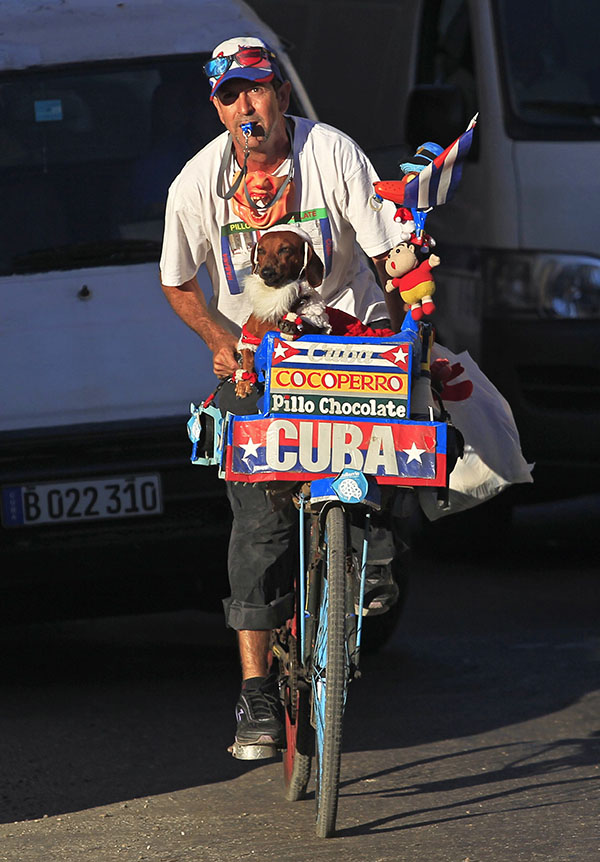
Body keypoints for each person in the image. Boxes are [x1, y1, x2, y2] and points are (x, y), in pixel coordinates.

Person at [160, 36, 409, 756]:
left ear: (281, 96)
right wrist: (217, 337)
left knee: (396, 436)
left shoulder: (331, 152)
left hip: (345, 344)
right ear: (218, 107)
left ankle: (371, 555)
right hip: (257, 364)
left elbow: (382, 236)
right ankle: (256, 695)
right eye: (232, 94)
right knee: (258, 520)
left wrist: (408, 282)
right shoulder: (196, 183)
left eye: (258, 88)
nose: (247, 105)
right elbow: (178, 280)